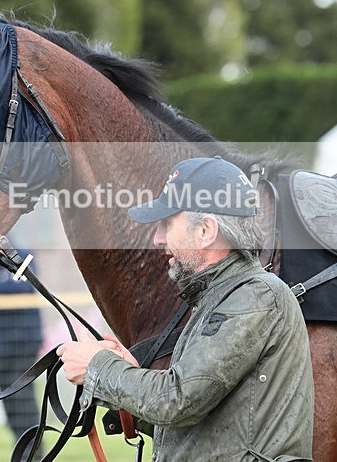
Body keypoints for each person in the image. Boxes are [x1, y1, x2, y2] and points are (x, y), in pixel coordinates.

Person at [57, 156, 314, 462]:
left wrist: (99, 368)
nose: (158, 239)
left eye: (167, 224)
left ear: (206, 230)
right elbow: (197, 428)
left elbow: (177, 400)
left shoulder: (255, 296)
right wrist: (124, 376)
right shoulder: (224, 297)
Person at [0, 249, 43, 447]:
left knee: (23, 399)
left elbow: (22, 285)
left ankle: (34, 451)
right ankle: (20, 448)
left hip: (24, 342)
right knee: (8, 399)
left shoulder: (24, 256)